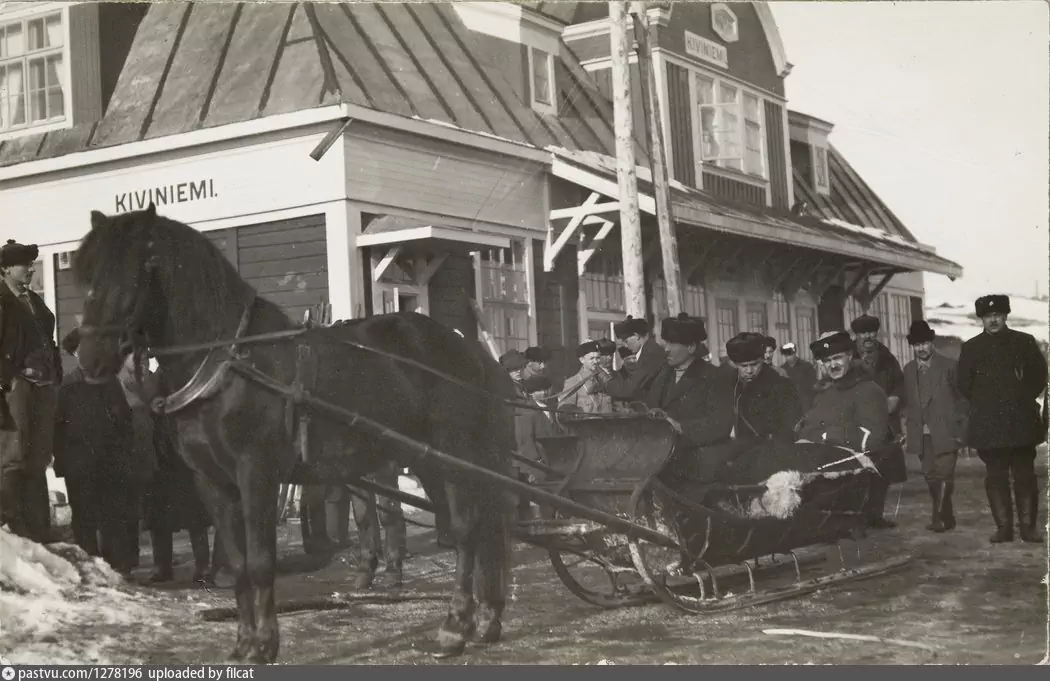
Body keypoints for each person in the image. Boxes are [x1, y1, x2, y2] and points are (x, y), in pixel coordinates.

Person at [119, 350, 220, 584]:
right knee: (158, 520)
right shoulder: (133, 383)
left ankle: (203, 566)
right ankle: (162, 566)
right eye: (138, 361)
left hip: (182, 457)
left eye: (145, 360)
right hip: (158, 458)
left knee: (195, 518)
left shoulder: (178, 376)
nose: (143, 363)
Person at [957, 294, 1047, 544]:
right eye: (987, 317)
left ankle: (1028, 528)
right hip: (989, 425)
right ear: (981, 319)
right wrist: (987, 403)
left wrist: (1018, 397)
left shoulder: (1024, 342)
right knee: (995, 477)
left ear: (1006, 316)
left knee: (1025, 476)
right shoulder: (971, 348)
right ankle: (1004, 528)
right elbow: (963, 384)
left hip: (1021, 422)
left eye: (997, 315)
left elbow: (1039, 376)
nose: (993, 320)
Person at [53, 328, 136, 571]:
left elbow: (125, 422)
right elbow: (57, 429)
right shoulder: (67, 385)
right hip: (79, 464)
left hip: (110, 462)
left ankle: (116, 567)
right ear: (75, 354)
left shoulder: (110, 382)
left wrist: (123, 453)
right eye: (81, 350)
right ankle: (91, 568)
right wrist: (63, 462)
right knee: (84, 518)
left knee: (112, 515)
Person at [0, 240, 61, 543]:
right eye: (25, 265)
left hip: (44, 387)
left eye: (32, 264)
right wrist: (10, 378)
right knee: (14, 455)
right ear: (6, 268)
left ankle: (39, 530)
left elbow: (47, 342)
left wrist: (55, 377)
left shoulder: (34, 302)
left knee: (38, 457)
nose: (30, 270)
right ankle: (13, 527)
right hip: (16, 387)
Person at [643, 314, 736, 482]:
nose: (666, 349)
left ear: (692, 347)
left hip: (698, 460)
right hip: (661, 455)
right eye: (666, 342)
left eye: (672, 343)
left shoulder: (714, 376)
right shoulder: (662, 375)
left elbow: (721, 424)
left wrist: (681, 427)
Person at [901, 320, 968, 533]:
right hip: (922, 434)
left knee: (945, 474)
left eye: (925, 343)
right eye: (916, 345)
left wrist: (962, 432)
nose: (921, 348)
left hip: (947, 432)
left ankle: (938, 517)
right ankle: (945, 514)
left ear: (932, 342)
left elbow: (964, 400)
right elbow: (909, 401)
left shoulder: (949, 366)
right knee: (930, 475)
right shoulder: (909, 370)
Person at [851, 314, 906, 528]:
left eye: (871, 332)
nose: (867, 337)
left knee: (881, 472)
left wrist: (895, 399)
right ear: (856, 336)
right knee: (856, 472)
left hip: (883, 423)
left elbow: (899, 384)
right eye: (863, 333)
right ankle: (855, 518)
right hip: (855, 423)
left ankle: (875, 515)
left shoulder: (886, 358)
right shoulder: (847, 358)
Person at [797, 330, 890, 458]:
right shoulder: (822, 394)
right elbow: (806, 428)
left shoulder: (869, 391)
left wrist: (825, 436)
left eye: (837, 358)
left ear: (850, 355)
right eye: (827, 361)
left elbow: (871, 440)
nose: (833, 365)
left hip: (860, 469)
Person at [726, 333, 802, 445]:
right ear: (734, 364)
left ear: (762, 360)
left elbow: (790, 428)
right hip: (736, 451)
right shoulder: (729, 384)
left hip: (769, 451)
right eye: (743, 366)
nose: (749, 370)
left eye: (754, 364)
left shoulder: (781, 385)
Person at [350, 460, 408, 589]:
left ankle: (394, 565)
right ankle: (367, 562)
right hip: (353, 456)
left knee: (388, 509)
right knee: (361, 512)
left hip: (382, 451)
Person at [605, 316, 664, 403]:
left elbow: (630, 389)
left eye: (626, 341)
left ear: (636, 336)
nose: (625, 345)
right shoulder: (648, 351)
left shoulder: (650, 355)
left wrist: (605, 385)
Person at [559, 340, 612, 414]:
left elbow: (616, 407)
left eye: (597, 358)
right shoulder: (573, 382)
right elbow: (564, 412)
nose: (596, 361)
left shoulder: (605, 380)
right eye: (591, 358)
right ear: (582, 360)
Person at [779, 342, 817, 411]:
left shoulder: (807, 367)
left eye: (790, 354)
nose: (789, 357)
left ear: (795, 353)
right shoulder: (782, 369)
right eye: (786, 355)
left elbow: (814, 387)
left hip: (806, 405)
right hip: (790, 407)